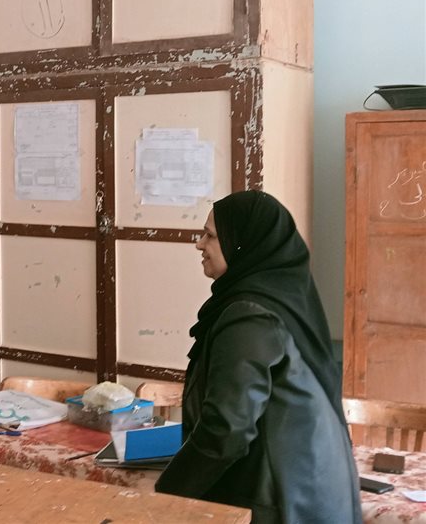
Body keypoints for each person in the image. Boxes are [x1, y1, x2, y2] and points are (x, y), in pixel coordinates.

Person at [155, 191, 361, 523]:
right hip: (310, 488)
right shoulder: (281, 300)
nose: (199, 244)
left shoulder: (250, 315)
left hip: (279, 500)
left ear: (241, 243)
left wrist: (168, 492)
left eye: (210, 235)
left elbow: (226, 429)